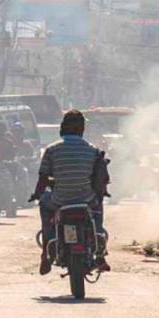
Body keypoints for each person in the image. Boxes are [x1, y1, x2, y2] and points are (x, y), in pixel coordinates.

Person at [33, 110, 109, 275]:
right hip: (86, 199)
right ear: (82, 129)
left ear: (62, 128)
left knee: (44, 204)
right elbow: (100, 179)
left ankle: (46, 249)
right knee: (98, 206)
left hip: (60, 199)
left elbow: (43, 178)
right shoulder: (92, 150)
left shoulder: (52, 150)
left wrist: (37, 194)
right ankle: (100, 243)